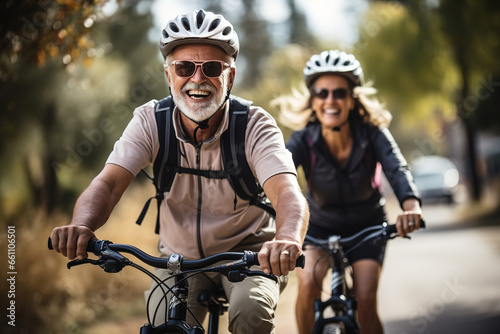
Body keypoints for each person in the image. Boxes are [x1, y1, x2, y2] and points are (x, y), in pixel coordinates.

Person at [50, 9, 309, 334]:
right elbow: (109, 184)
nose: (197, 79)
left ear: (229, 77)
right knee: (162, 326)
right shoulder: (150, 121)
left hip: (249, 255)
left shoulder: (253, 125)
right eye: (184, 67)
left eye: (212, 68)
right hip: (178, 259)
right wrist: (80, 225)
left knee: (250, 312)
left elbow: (287, 192)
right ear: (168, 75)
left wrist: (285, 239)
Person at [273, 50, 423, 334]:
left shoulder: (372, 134)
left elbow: (396, 168)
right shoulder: (303, 139)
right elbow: (280, 177)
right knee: (307, 288)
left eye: (339, 93)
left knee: (365, 300)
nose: (331, 100)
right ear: (313, 100)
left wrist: (411, 205)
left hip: (367, 227)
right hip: (318, 227)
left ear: (352, 99)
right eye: (322, 93)